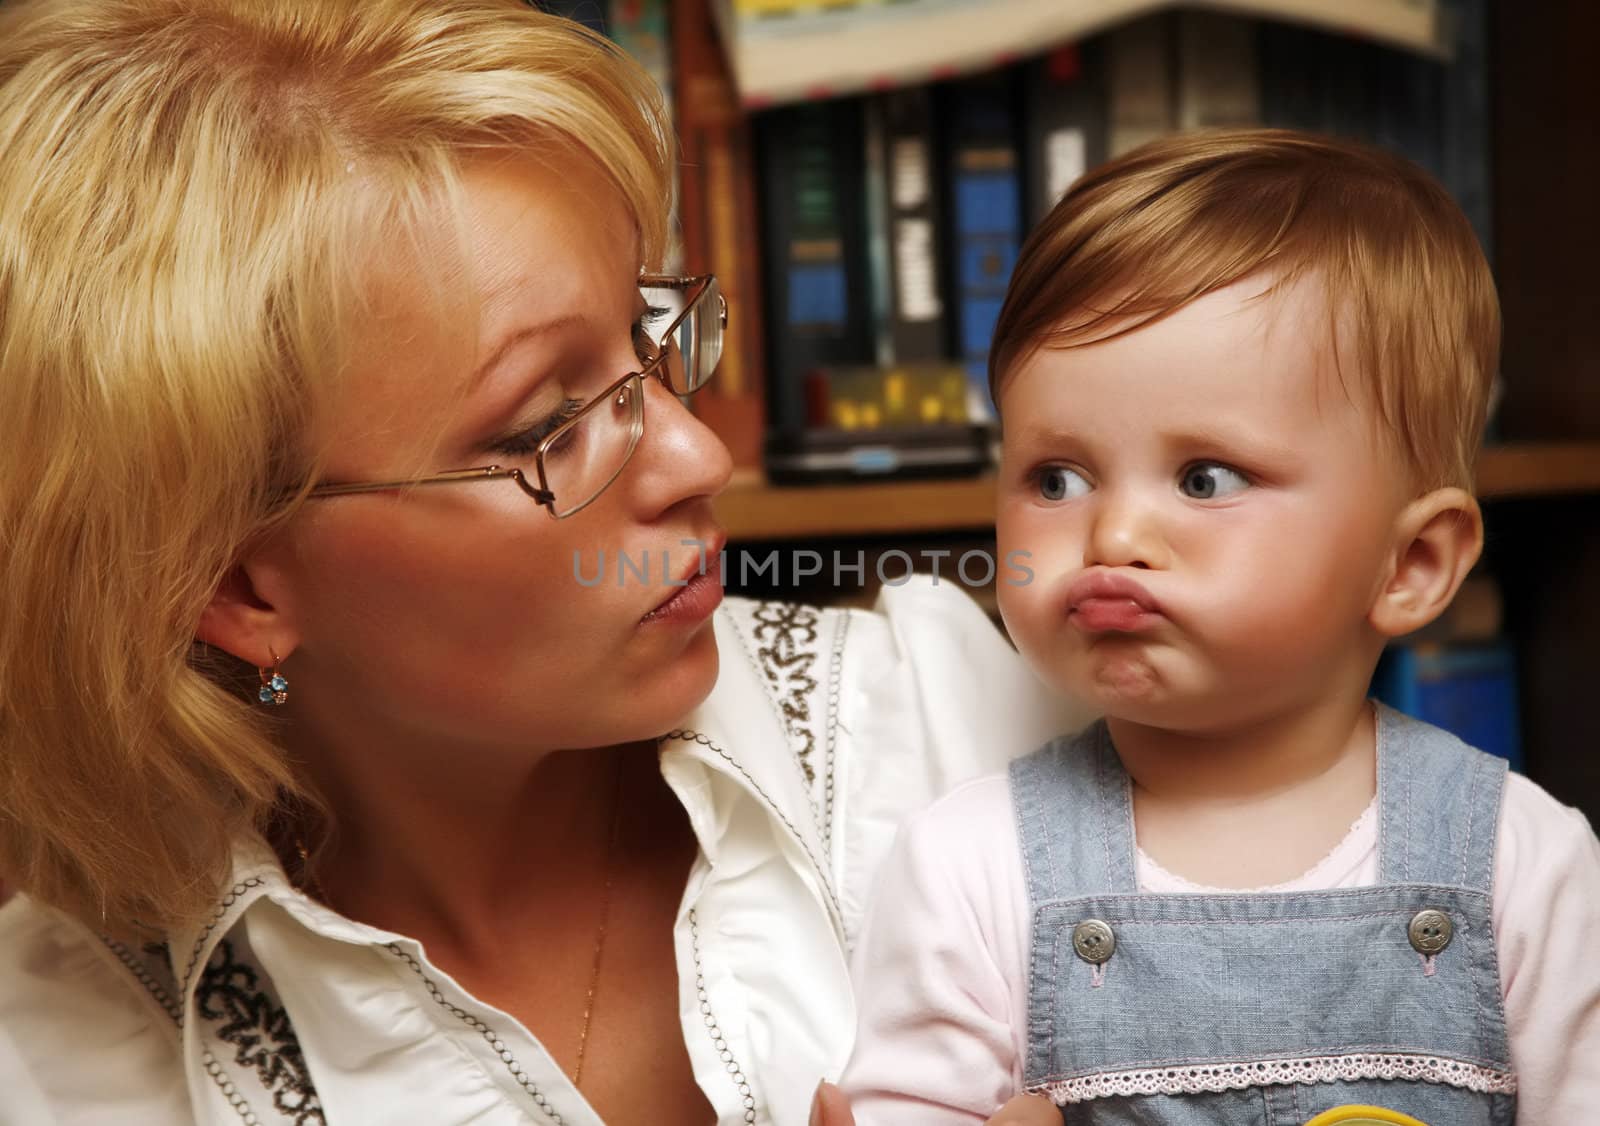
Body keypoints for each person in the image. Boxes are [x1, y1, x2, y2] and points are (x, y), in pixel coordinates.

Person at [0, 2, 1084, 1123]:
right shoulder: (62, 1058)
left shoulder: (972, 737)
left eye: (648, 339)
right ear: (236, 588)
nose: (697, 452)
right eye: (545, 429)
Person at [839, 129, 1600, 1123]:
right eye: (1055, 478)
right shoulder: (970, 867)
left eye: (1204, 478)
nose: (1111, 533)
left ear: (1409, 565)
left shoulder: (1521, 864)